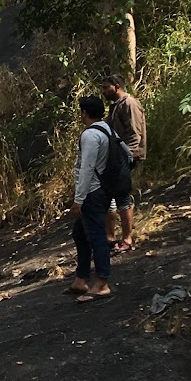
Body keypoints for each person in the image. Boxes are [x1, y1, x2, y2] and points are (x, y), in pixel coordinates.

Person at [69, 95, 121, 303]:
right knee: (80, 233)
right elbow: (126, 154)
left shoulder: (90, 135)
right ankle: (81, 279)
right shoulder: (109, 130)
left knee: (97, 236)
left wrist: (79, 199)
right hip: (104, 189)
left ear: (84, 113)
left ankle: (101, 283)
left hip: (92, 192)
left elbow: (87, 168)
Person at [101, 74, 147, 251]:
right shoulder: (116, 106)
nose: (104, 91)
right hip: (115, 158)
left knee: (122, 196)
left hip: (125, 157)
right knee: (110, 196)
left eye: (106, 87)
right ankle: (110, 238)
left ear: (117, 86)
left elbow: (135, 133)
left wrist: (128, 157)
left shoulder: (129, 103)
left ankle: (127, 240)